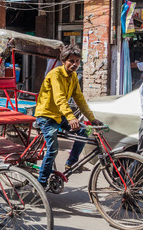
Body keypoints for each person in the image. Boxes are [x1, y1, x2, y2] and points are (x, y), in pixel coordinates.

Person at [35, 44, 102, 189]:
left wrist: (92, 118)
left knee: (84, 131)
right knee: (53, 149)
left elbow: (80, 99)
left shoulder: (73, 77)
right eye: (71, 61)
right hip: (46, 116)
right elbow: (59, 98)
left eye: (77, 61)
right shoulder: (55, 74)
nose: (74, 64)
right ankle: (40, 183)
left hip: (60, 116)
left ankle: (71, 163)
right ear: (64, 60)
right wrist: (71, 118)